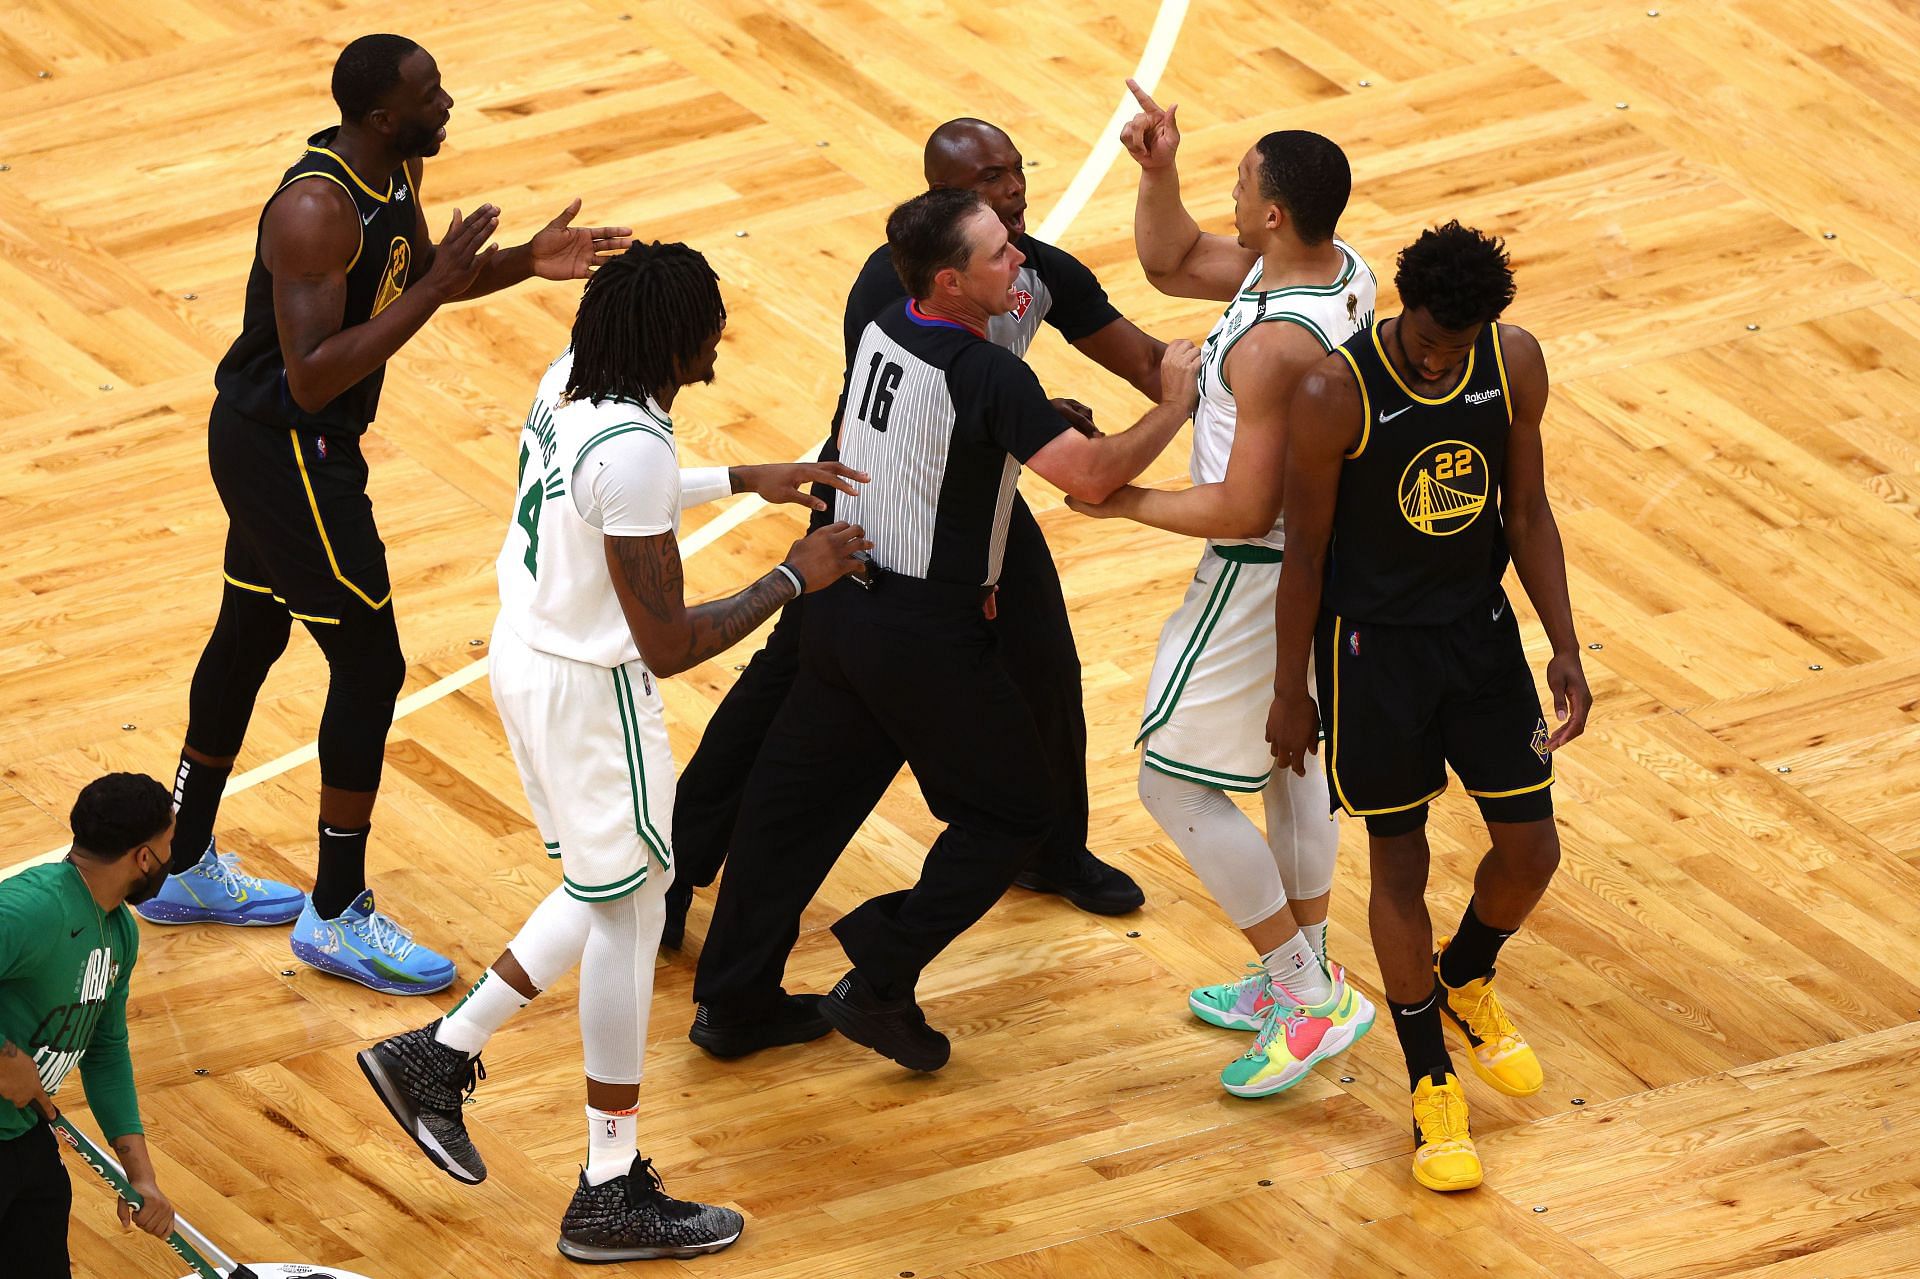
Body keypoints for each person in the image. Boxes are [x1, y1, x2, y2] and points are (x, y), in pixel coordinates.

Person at [355, 241, 870, 1262]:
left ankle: (514, 1109)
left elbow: (611, 493)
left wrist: (738, 479)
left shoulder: (571, 377)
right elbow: (671, 644)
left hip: (528, 653)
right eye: (708, 334)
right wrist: (792, 577)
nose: (717, 349)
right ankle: (541, 1133)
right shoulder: (632, 450)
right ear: (671, 340)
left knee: (618, 898)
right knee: (625, 901)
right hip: (592, 691)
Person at [142, 33, 633, 997]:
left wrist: (521, 262)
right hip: (290, 450)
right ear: (379, 116)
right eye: (427, 94)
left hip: (278, 443)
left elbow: (411, 283)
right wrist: (444, 284)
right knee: (370, 661)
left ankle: (182, 862)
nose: (446, 102)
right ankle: (336, 910)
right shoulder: (316, 211)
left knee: (249, 628)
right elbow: (316, 375)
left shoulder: (394, 168)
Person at [692, 188, 1202, 1072]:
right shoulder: (989, 372)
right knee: (1013, 808)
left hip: (841, 598)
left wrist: (1034, 426)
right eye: (1000, 254)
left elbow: (949, 442)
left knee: (790, 813)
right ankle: (882, 971)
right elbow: (1085, 478)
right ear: (949, 279)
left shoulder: (890, 324)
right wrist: (1174, 406)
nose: (1020, 262)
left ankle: (734, 1003)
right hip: (924, 635)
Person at [1266, 221, 1591, 1191]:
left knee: (1533, 848)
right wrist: (1293, 689)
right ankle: (1429, 1082)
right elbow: (1306, 555)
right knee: (1398, 860)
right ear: (1404, 309)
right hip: (1372, 655)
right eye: (1435, 343)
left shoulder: (1513, 360)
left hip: (1479, 636)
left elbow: (1525, 512)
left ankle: (1465, 974)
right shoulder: (1334, 390)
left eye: (1464, 347)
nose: (1448, 361)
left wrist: (1564, 641)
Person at [1069, 84, 1376, 1097]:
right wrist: (1156, 169)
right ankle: (1308, 966)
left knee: (1172, 780)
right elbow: (1168, 259)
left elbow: (1242, 510)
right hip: (1335, 558)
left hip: (1260, 573)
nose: (1231, 198)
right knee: (1292, 766)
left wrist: (1128, 501)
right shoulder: (1335, 271)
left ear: (1275, 214)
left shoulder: (1268, 345)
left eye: (1242, 186)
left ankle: (1307, 995)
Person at [1, 774, 179, 1276]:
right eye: (170, 844)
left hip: (23, 1135)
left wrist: (141, 1177)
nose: (172, 857)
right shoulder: (32, 908)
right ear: (144, 857)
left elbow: (105, 1052)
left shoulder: (119, 931)